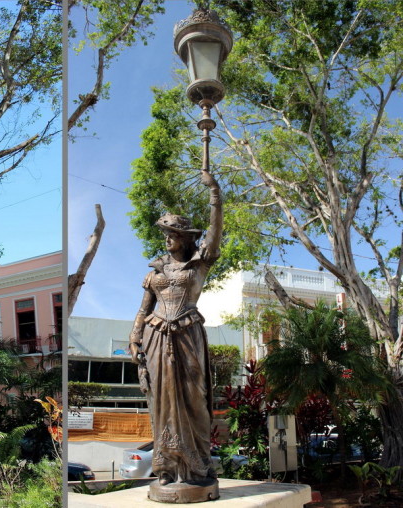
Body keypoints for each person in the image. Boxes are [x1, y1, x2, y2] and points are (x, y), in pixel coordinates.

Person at [129, 167, 222, 496]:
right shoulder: (155, 269)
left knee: (192, 398)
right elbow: (144, 308)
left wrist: (215, 194)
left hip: (186, 335)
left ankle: (196, 466)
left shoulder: (198, 264)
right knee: (160, 401)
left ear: (184, 238)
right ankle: (167, 467)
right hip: (156, 337)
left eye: (172, 233)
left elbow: (214, 235)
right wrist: (134, 336)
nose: (166, 238)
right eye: (165, 233)